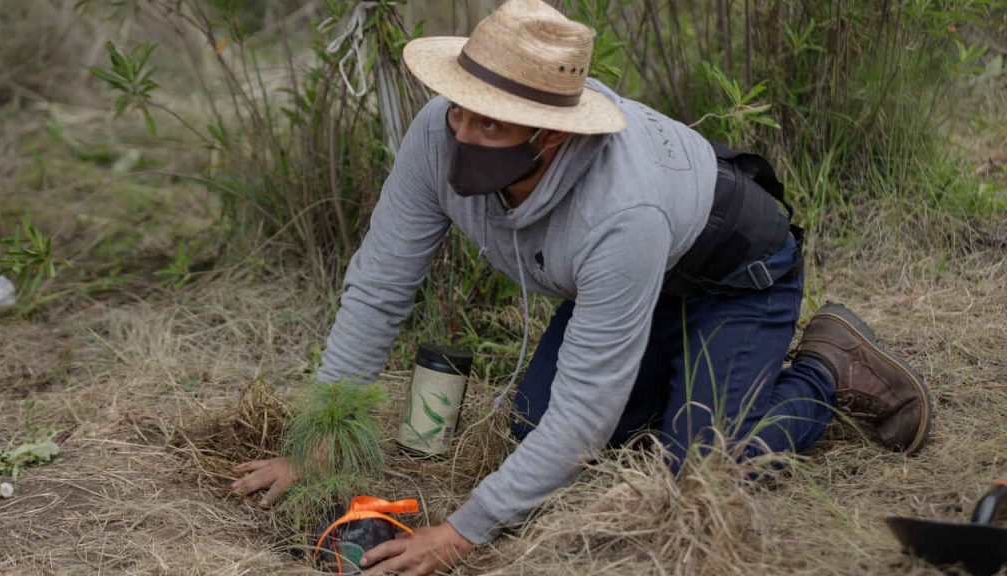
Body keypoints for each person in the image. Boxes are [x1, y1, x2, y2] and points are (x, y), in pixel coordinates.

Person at [232, 1, 933, 574]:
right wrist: (318, 438)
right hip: (637, 283)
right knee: (537, 431)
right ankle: (690, 383)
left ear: (551, 137)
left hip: (737, 277)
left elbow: (587, 412)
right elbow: (381, 283)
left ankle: (826, 372)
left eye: (490, 123)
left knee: (701, 473)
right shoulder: (436, 133)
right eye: (459, 110)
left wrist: (461, 533)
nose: (462, 133)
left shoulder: (620, 210)